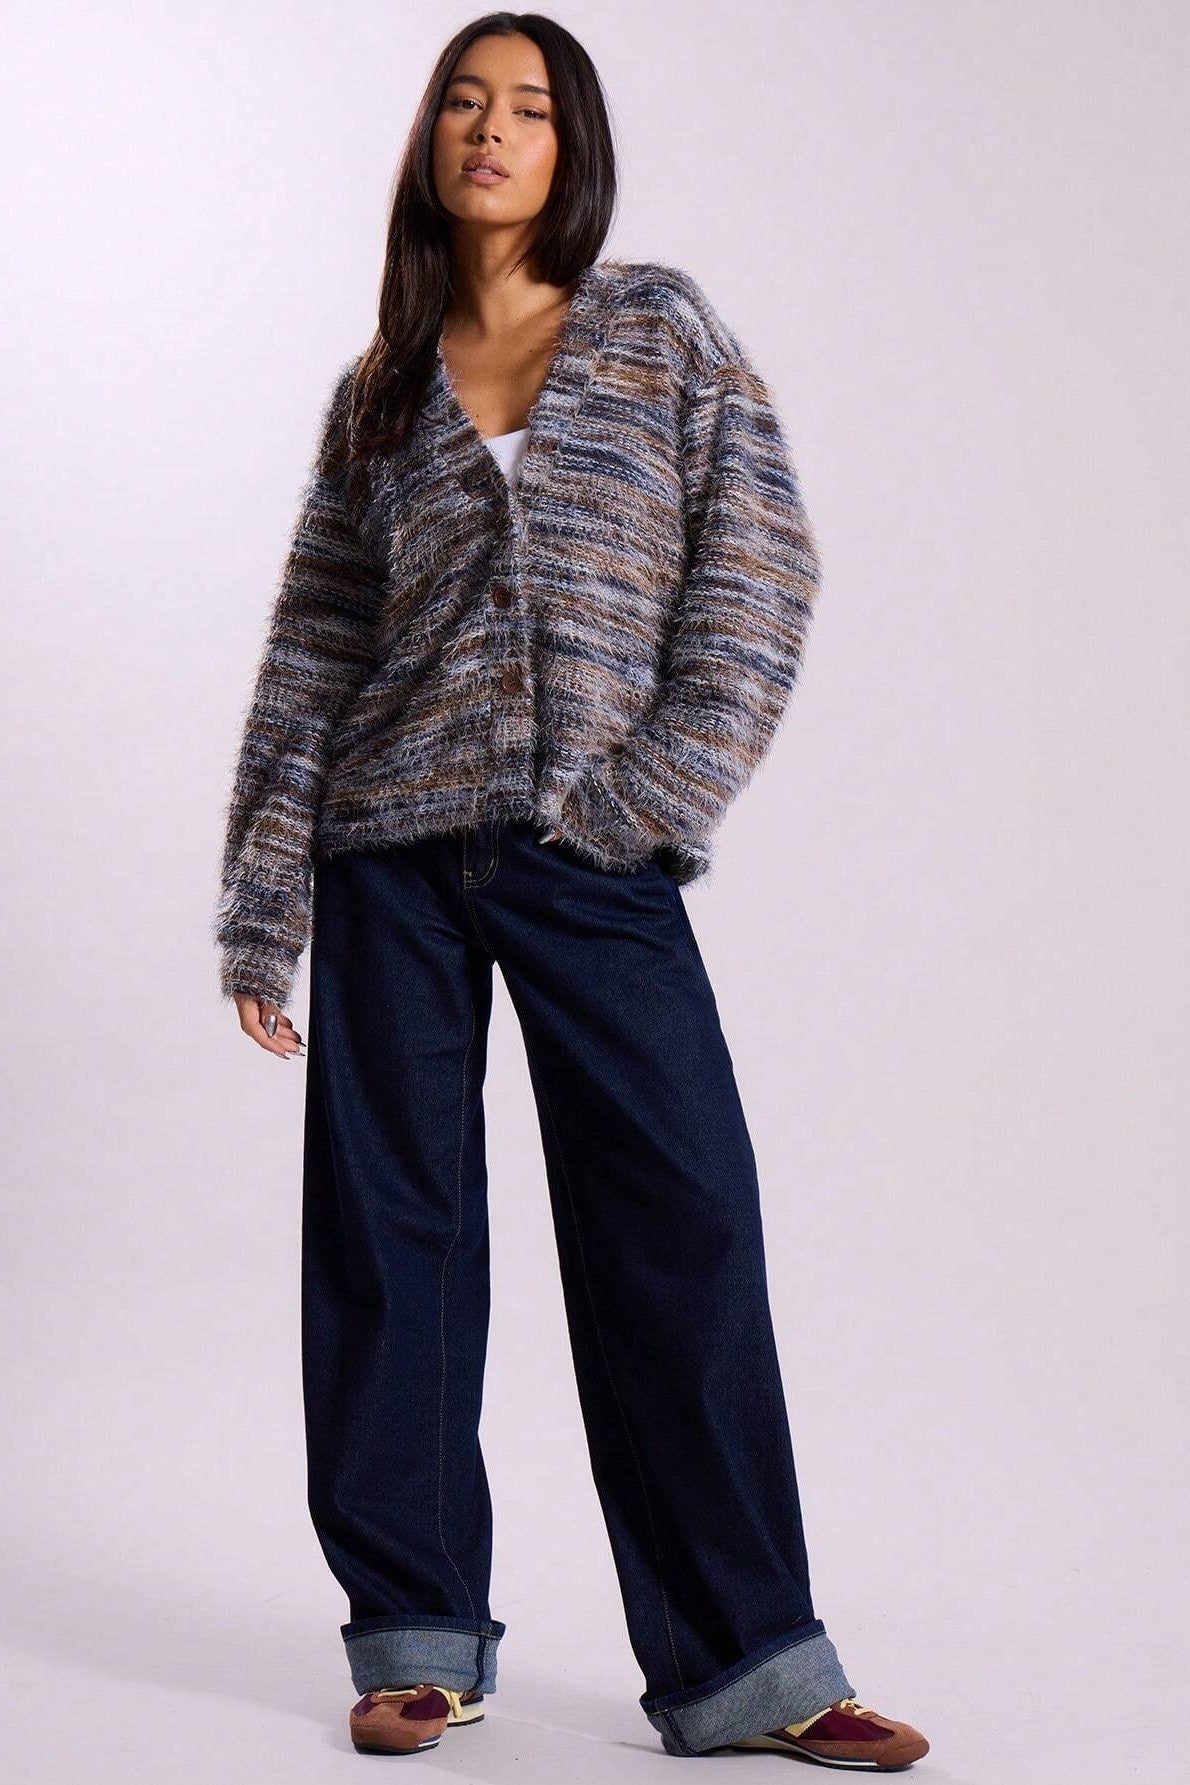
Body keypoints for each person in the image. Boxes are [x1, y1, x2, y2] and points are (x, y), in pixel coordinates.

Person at [213, 12, 929, 1770]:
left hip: (590, 858)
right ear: (427, 139)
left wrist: (646, 799)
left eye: (528, 108)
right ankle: (413, 1636)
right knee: (390, 1239)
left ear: (570, 148)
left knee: (680, 1221)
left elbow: (758, 574)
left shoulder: (657, 328)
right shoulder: (382, 387)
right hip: (389, 854)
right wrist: (263, 901)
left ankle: (748, 1664)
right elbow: (314, 654)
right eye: (463, 101)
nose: (490, 129)